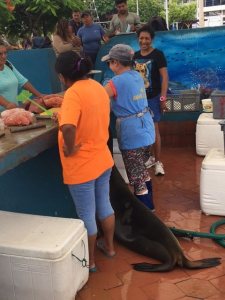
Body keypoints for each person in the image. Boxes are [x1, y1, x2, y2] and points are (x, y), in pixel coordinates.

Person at [55, 50, 115, 272]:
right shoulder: (97, 87)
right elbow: (86, 116)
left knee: (87, 214)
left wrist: (70, 148)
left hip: (82, 166)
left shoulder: (72, 93)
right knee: (104, 206)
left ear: (62, 76)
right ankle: (109, 248)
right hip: (102, 159)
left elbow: (69, 126)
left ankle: (90, 263)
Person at [102, 44, 155, 211]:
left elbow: (97, 98)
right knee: (142, 171)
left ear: (116, 63)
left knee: (137, 178)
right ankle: (150, 207)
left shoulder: (116, 81)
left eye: (109, 62)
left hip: (132, 134)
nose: (109, 66)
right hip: (146, 130)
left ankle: (146, 216)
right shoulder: (137, 76)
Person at [134, 25, 168, 176]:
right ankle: (150, 158)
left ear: (152, 39)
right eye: (141, 38)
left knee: (154, 131)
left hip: (154, 99)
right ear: (138, 39)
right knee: (142, 130)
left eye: (147, 38)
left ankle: (158, 162)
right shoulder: (134, 56)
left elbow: (165, 78)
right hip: (138, 100)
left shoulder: (158, 55)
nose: (144, 41)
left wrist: (162, 98)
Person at [0, 42, 43, 111]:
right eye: (0, 54)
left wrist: (39, 95)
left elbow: (22, 81)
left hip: (13, 112)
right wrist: (7, 104)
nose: (4, 56)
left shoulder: (8, 64)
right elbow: (8, 105)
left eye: (5, 53)